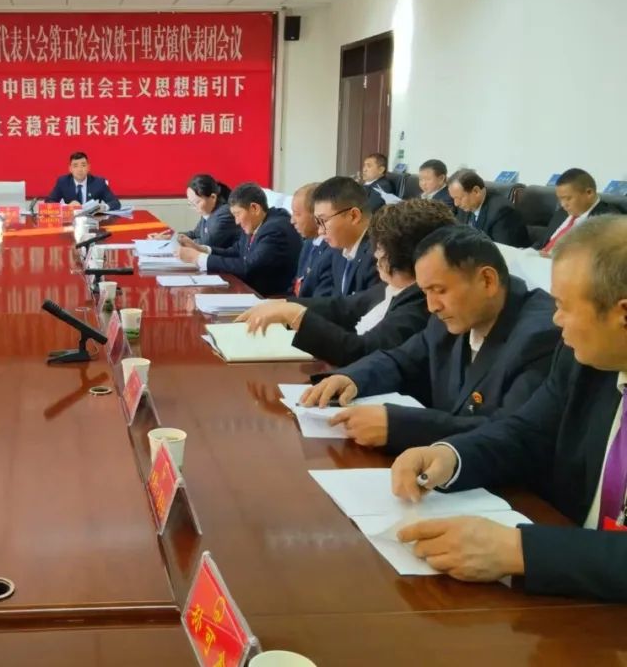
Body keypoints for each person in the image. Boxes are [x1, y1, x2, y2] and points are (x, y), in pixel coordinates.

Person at [389, 217, 627, 601]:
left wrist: (519, 551)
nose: (556, 319)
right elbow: (527, 432)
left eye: (564, 306)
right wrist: (451, 456)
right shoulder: (585, 361)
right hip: (570, 598)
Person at [301, 225, 559, 453]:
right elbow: (401, 360)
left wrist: (398, 427)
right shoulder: (453, 315)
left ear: (487, 280)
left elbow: (509, 433)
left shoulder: (540, 336)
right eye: (425, 292)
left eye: (439, 290)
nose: (432, 306)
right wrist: (352, 378)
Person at [237, 199, 457, 367]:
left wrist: (295, 315)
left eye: (381, 248)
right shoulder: (393, 286)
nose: (376, 255)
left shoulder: (420, 302)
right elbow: (343, 307)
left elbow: (361, 351)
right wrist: (283, 304)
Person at [175, 183, 301, 297]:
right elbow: (236, 251)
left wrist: (198, 258)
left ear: (254, 208)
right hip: (250, 291)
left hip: (269, 298)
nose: (236, 221)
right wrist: (202, 249)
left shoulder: (276, 229)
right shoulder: (256, 223)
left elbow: (249, 268)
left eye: (237, 214)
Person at [310, 177, 383, 298]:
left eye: (323, 221)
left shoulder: (379, 255)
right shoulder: (339, 249)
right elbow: (336, 302)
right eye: (317, 222)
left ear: (354, 216)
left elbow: (364, 306)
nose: (320, 231)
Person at [532, 168, 620, 253]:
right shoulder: (561, 213)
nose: (563, 204)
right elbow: (542, 244)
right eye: (560, 199)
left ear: (589, 193)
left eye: (568, 198)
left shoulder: (609, 221)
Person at [149, 174, 239, 248]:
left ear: (213, 197)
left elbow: (206, 243)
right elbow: (195, 234)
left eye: (197, 202)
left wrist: (175, 241)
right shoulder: (209, 210)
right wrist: (170, 237)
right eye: (191, 203)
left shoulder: (224, 214)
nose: (194, 207)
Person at [448, 170, 530, 248]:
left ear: (476, 191)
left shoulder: (502, 212)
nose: (456, 203)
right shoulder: (465, 207)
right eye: (454, 198)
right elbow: (458, 234)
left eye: (459, 198)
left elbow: (501, 252)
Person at [289, 182, 329, 297]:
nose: (292, 221)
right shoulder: (308, 243)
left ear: (316, 214)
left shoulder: (331, 250)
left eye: (297, 214)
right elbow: (297, 285)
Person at [46, 151, 120, 210]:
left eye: (83, 165)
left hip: (93, 222)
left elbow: (115, 203)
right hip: (71, 221)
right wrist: (67, 207)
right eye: (75, 166)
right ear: (70, 169)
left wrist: (103, 207)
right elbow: (48, 202)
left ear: (88, 168)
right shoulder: (63, 182)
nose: (80, 169)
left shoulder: (99, 183)